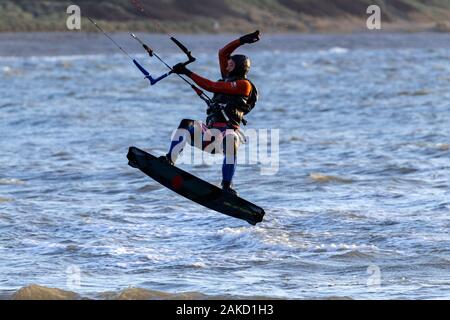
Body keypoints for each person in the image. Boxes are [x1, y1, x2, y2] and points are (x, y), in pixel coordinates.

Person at [162, 31, 261, 195]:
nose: (226, 65)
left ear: (239, 66)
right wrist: (241, 40)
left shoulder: (244, 85)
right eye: (227, 64)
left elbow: (211, 86)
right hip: (209, 135)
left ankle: (227, 186)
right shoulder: (227, 78)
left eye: (230, 64)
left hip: (227, 134)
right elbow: (222, 53)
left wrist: (187, 72)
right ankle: (169, 161)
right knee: (187, 123)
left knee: (231, 139)